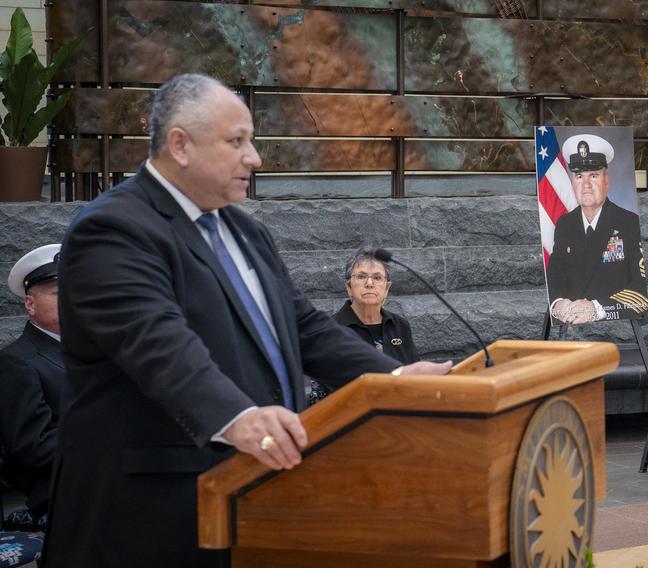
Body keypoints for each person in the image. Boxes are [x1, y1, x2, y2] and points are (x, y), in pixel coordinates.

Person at [43, 74, 451, 568]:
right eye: (237, 141)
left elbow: (302, 326)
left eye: (251, 141)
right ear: (181, 145)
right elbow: (159, 345)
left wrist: (397, 377)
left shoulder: (242, 227)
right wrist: (238, 418)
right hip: (151, 512)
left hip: (257, 497)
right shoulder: (113, 229)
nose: (254, 157)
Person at [546, 134, 648, 324]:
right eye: (579, 176)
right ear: (573, 182)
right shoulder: (564, 225)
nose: (585, 185)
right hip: (572, 317)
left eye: (593, 175)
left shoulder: (629, 223)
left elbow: (640, 290)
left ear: (606, 181)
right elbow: (554, 275)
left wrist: (597, 308)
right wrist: (558, 304)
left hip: (611, 315)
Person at [0, 244, 67, 521]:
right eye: (59, 293)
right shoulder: (17, 361)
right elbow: (33, 447)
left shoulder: (92, 350)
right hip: (62, 491)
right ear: (30, 305)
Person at [333, 248, 419, 365]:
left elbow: (413, 373)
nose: (369, 284)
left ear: (387, 288)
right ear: (349, 287)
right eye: (361, 276)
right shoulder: (333, 329)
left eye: (377, 277)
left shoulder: (400, 326)